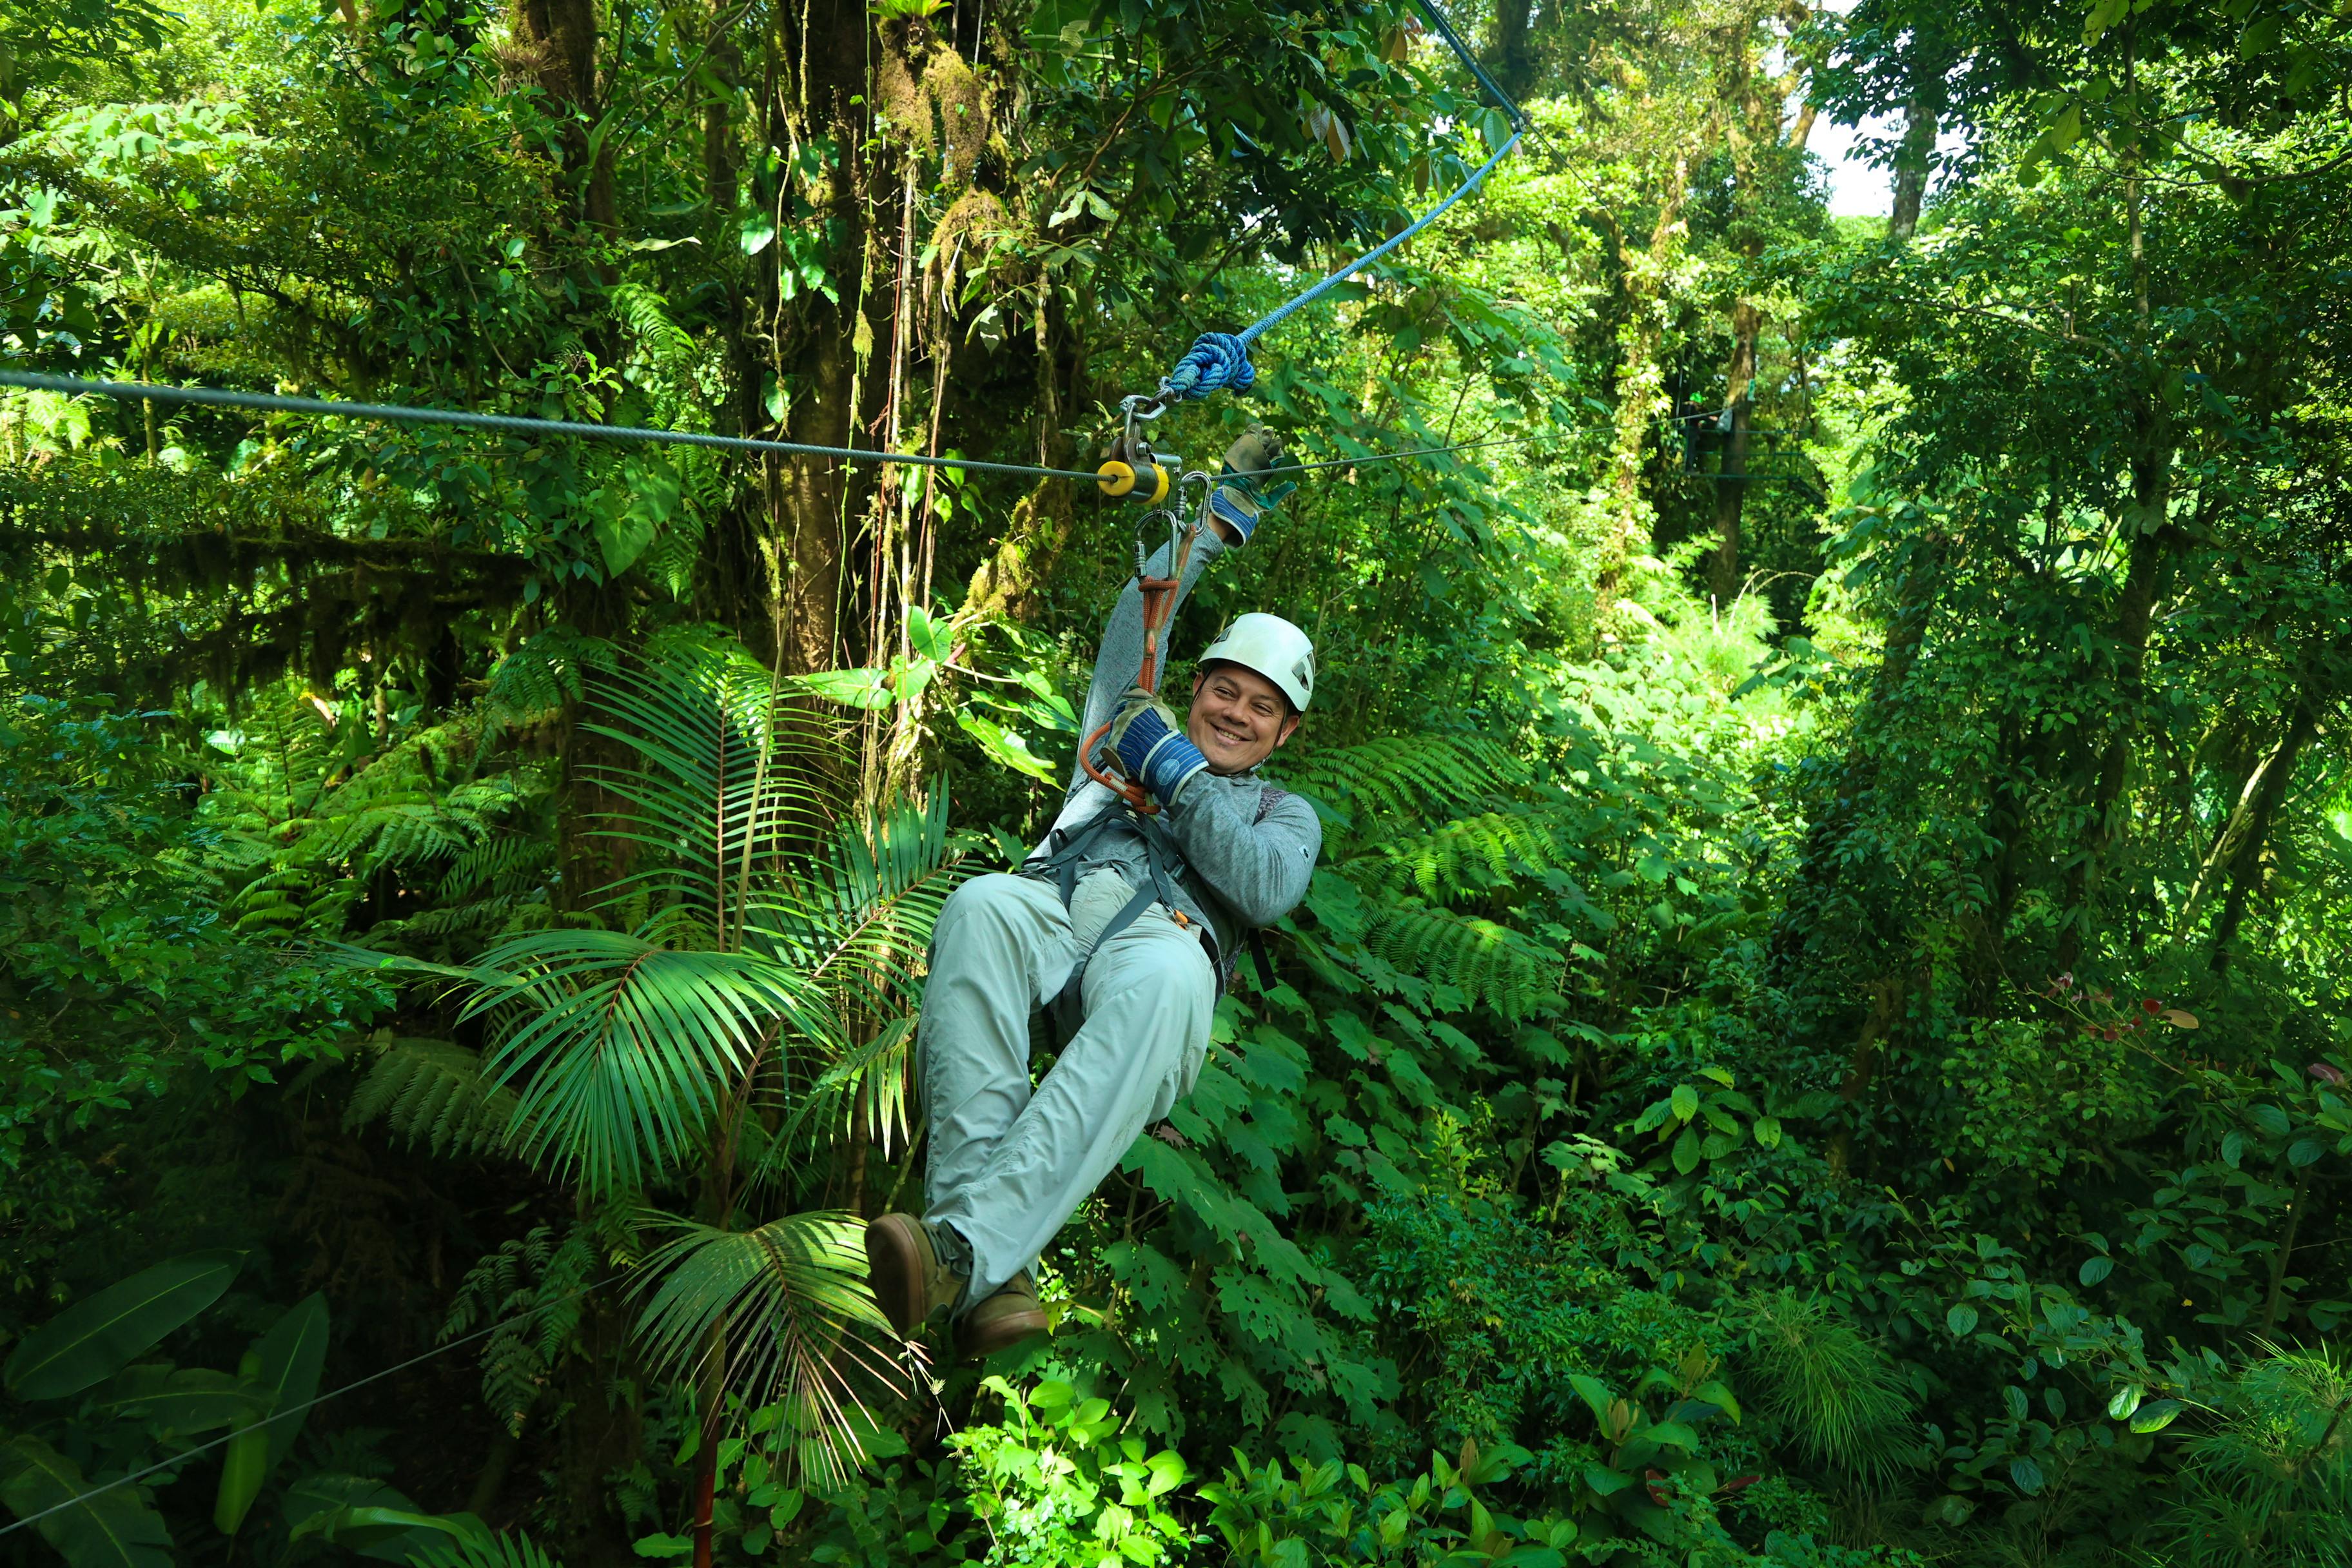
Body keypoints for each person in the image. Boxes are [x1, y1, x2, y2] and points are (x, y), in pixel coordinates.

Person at [865, 426, 1322, 1358]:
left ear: (1283, 735)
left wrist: (1184, 778)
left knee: (1163, 988)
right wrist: (1209, 524)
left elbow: (1268, 890)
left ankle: (962, 1248)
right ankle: (987, 1272)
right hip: (1057, 905)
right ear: (1195, 691)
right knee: (982, 904)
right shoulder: (1125, 730)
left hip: (1161, 945)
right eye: (1223, 691)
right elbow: (1138, 618)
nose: (1235, 711)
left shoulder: (1285, 815)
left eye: (1260, 705)